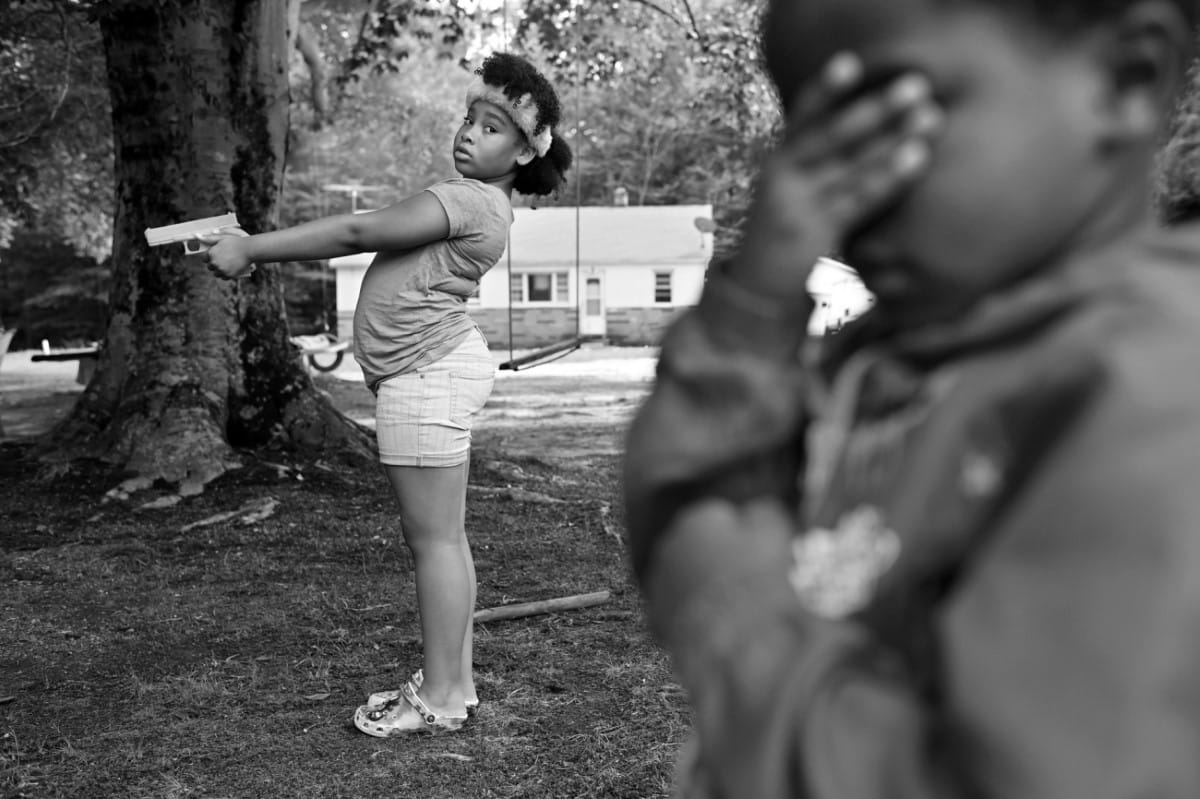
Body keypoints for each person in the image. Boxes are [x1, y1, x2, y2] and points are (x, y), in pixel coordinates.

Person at [624, 0, 1200, 796]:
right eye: (812, 137)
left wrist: (730, 610)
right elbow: (686, 496)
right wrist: (753, 309)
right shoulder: (889, 356)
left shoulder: (1155, 394)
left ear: (1128, 79)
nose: (836, 199)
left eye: (888, 122)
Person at [205, 52, 573, 737]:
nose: (470, 133)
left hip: (426, 373)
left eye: (492, 128)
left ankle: (437, 697)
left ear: (524, 151)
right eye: (470, 118)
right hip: (432, 369)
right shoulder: (485, 202)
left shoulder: (468, 200)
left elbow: (357, 231)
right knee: (443, 539)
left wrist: (250, 248)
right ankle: (452, 686)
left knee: (433, 540)